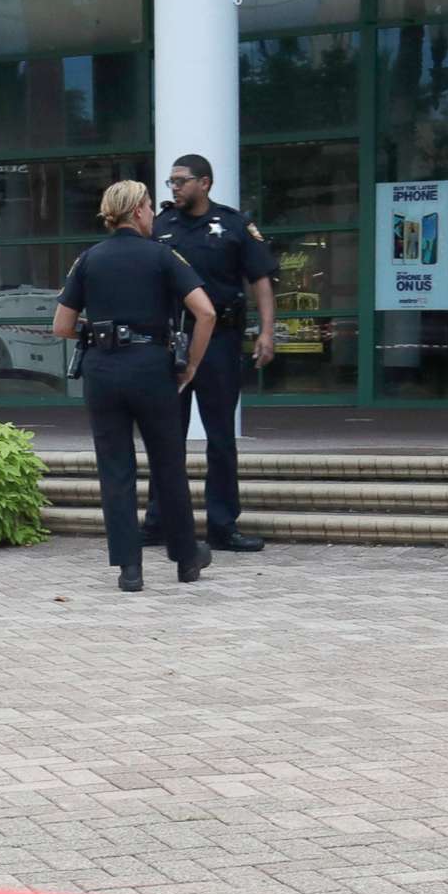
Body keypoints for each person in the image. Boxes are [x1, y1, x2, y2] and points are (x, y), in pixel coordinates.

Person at [52, 180, 217, 592]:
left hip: (103, 372)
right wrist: (192, 364)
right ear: (140, 210)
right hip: (151, 369)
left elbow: (61, 326)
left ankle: (130, 568)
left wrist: (103, 334)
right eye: (149, 207)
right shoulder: (162, 255)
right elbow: (206, 312)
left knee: (115, 468)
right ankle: (186, 559)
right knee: (168, 465)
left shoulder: (88, 259)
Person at [145, 153, 278, 553]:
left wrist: (266, 332)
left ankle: (223, 526)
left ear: (204, 183)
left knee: (220, 437)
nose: (174, 188)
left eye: (181, 181)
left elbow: (261, 280)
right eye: (170, 182)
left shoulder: (234, 225)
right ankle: (159, 522)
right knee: (167, 436)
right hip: (173, 340)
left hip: (220, 340)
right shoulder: (159, 226)